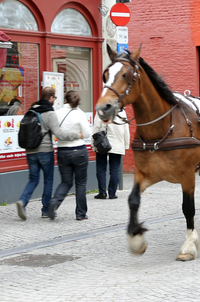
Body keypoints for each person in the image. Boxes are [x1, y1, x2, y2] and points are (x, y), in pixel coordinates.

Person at [16, 87, 82, 220]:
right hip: (45, 151)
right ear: (51, 98)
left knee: (33, 179)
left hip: (30, 151)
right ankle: (46, 209)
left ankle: (22, 201)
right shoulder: (49, 113)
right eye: (54, 98)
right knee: (48, 180)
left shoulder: (31, 109)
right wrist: (77, 135)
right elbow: (59, 134)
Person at [48, 90, 93, 221]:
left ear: (65, 100)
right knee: (81, 183)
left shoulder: (57, 113)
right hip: (79, 151)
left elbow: (53, 133)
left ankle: (54, 202)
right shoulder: (80, 114)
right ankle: (80, 214)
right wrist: (79, 134)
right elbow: (87, 133)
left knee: (66, 181)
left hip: (62, 151)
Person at [92, 109, 130, 200]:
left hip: (102, 143)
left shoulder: (101, 111)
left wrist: (93, 144)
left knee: (101, 168)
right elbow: (126, 129)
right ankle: (112, 193)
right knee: (115, 169)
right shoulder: (122, 112)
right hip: (117, 144)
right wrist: (126, 145)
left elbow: (96, 128)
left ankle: (102, 193)